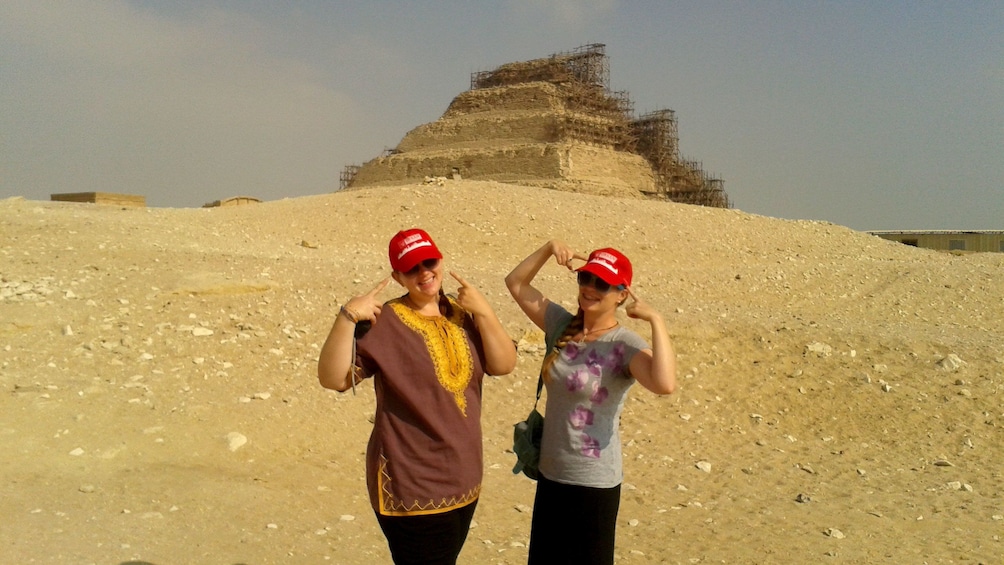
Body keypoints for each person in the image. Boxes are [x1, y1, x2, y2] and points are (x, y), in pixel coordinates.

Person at [318, 228, 517, 565]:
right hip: (411, 481)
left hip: (464, 478)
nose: (425, 273)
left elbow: (503, 365)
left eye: (430, 262)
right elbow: (333, 378)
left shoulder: (462, 313)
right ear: (397, 276)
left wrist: (484, 311)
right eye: (413, 268)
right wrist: (348, 316)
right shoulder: (385, 322)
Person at [505, 240, 677, 565]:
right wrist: (547, 249)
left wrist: (656, 320)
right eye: (585, 278)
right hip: (551, 474)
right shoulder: (561, 326)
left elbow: (665, 383)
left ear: (622, 294)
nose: (590, 288)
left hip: (594, 484)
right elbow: (516, 283)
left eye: (602, 284)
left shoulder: (624, 344)